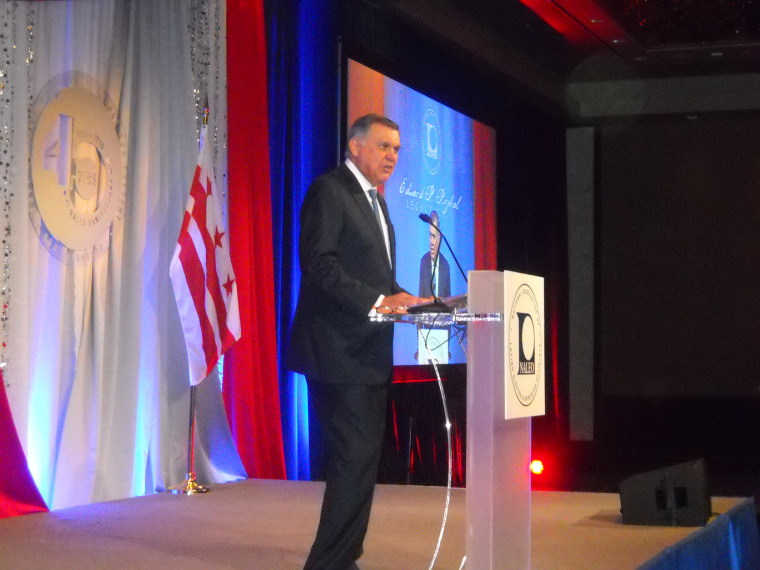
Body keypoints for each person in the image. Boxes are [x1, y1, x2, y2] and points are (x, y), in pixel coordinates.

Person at [288, 114, 428, 570]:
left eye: (397, 150)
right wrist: (377, 300)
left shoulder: (378, 204)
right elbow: (320, 265)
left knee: (361, 463)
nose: (392, 156)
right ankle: (327, 564)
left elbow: (377, 278)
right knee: (351, 461)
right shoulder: (330, 192)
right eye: (384, 146)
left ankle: (344, 558)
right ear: (355, 146)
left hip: (368, 352)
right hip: (337, 351)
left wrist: (405, 298)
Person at [418, 210, 451, 299]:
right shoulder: (424, 261)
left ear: (439, 239)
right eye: (430, 236)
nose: (431, 242)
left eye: (434, 236)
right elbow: (421, 297)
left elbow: (448, 300)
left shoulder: (445, 265)